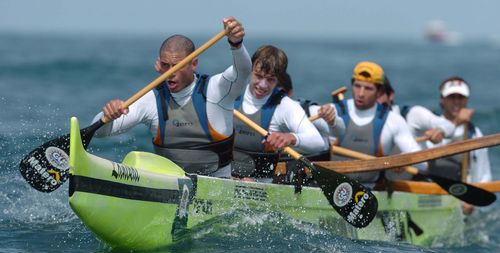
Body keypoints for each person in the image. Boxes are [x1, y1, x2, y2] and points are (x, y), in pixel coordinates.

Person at [92, 17, 252, 178]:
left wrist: (236, 45)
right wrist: (108, 115)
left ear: (193, 64)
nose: (170, 72)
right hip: (172, 185)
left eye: (177, 66)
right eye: (165, 65)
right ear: (159, 65)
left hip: (218, 183)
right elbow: (99, 133)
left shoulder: (217, 90)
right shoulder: (151, 100)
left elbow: (243, 71)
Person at [231, 46, 327, 181]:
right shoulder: (231, 93)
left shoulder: (285, 106)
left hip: (260, 183)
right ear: (250, 69)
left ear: (279, 79)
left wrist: (291, 137)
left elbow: (318, 142)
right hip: (225, 175)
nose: (263, 85)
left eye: (270, 79)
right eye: (258, 76)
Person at [330, 61, 426, 187]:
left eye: (368, 88)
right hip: (332, 186)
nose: (361, 94)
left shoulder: (393, 120)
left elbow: (423, 165)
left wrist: (404, 160)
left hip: (370, 191)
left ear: (379, 92)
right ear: (352, 85)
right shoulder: (332, 112)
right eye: (357, 86)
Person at [426, 76, 492, 214]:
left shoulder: (474, 134)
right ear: (442, 100)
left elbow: (483, 175)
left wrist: (472, 201)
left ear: (466, 100)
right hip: (427, 193)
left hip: (458, 197)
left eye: (460, 97)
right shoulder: (429, 127)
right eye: (451, 97)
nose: (456, 101)